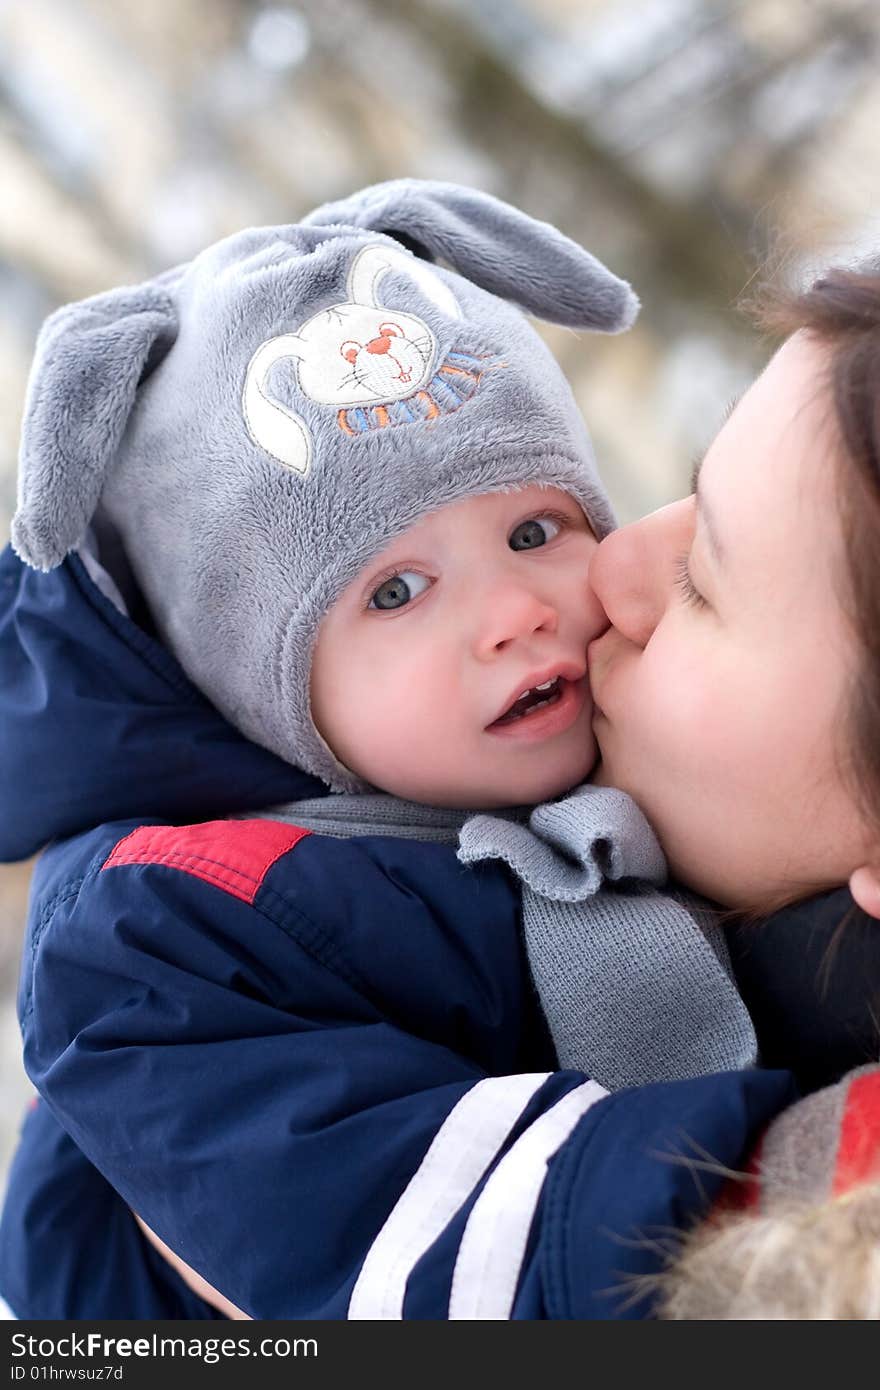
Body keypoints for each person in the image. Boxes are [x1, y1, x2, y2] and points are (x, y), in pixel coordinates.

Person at [0, 187, 876, 1318]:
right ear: (263, 681)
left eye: (536, 531)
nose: (526, 607)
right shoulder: (170, 937)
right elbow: (454, 1249)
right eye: (396, 592)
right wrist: (797, 1184)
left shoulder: (549, 785)